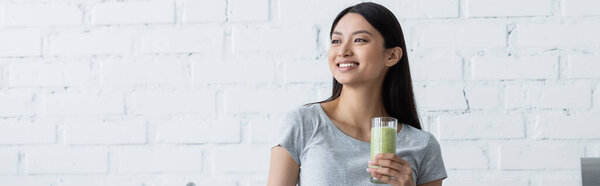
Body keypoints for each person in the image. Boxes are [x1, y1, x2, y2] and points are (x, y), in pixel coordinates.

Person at [267, 2, 447, 186]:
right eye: (336, 41)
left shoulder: (423, 145)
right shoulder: (303, 124)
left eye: (359, 40)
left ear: (392, 56)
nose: (343, 51)